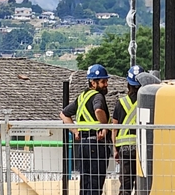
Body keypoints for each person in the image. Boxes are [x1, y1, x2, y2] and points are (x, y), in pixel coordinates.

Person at [60, 64, 111, 195]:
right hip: (96, 143)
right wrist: (104, 126)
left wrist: (75, 131)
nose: (106, 84)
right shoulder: (98, 96)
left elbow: (64, 114)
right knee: (95, 181)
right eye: (103, 82)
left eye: (106, 81)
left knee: (85, 180)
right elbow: (98, 109)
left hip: (83, 144)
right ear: (93, 83)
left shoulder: (82, 97)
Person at [112, 65, 144, 195]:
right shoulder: (147, 101)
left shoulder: (121, 103)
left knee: (125, 185)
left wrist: (115, 149)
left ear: (128, 84)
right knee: (142, 183)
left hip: (124, 149)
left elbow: (114, 129)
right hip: (142, 148)